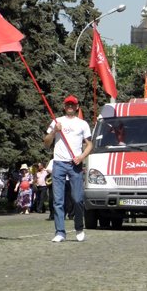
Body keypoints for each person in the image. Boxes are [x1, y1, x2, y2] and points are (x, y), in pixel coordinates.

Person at [44, 95, 93, 242]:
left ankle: (79, 227)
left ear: (77, 107)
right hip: (58, 163)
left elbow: (89, 145)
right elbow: (46, 143)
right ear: (64, 106)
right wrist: (54, 132)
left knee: (77, 199)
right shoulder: (56, 121)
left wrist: (81, 157)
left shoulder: (83, 124)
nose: (70, 107)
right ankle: (60, 232)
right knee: (58, 200)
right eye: (68, 105)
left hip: (75, 164)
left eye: (73, 105)